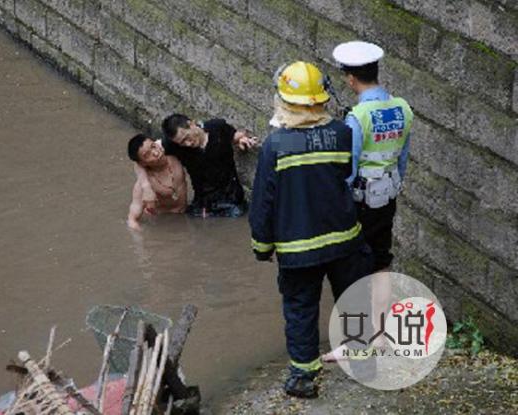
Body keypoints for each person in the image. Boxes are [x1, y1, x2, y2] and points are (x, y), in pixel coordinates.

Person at [249, 61, 372, 398]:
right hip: (345, 240)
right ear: (322, 99)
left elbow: (263, 202)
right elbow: (349, 175)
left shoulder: (275, 146)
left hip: (298, 249)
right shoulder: (343, 134)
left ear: (284, 101)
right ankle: (362, 361)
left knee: (301, 309)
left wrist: (262, 247)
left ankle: (304, 377)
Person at [332, 40, 414, 274]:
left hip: (361, 201)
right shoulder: (403, 107)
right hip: (388, 195)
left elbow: (350, 166)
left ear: (351, 79)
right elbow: (402, 159)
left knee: (355, 260)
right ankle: (381, 310)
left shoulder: (358, 116)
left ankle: (359, 308)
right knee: (381, 258)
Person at [159, 114, 256, 217]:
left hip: (232, 201)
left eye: (187, 137)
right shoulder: (174, 145)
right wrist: (144, 180)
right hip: (202, 206)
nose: (188, 144)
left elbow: (235, 135)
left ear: (191, 124)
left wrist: (242, 139)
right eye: (182, 143)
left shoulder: (218, 128)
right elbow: (149, 150)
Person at [126, 134, 187, 230]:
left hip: (186, 211)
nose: (155, 153)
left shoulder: (173, 155)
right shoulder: (144, 184)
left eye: (153, 146)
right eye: (147, 155)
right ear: (142, 163)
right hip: (164, 221)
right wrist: (143, 240)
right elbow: (132, 220)